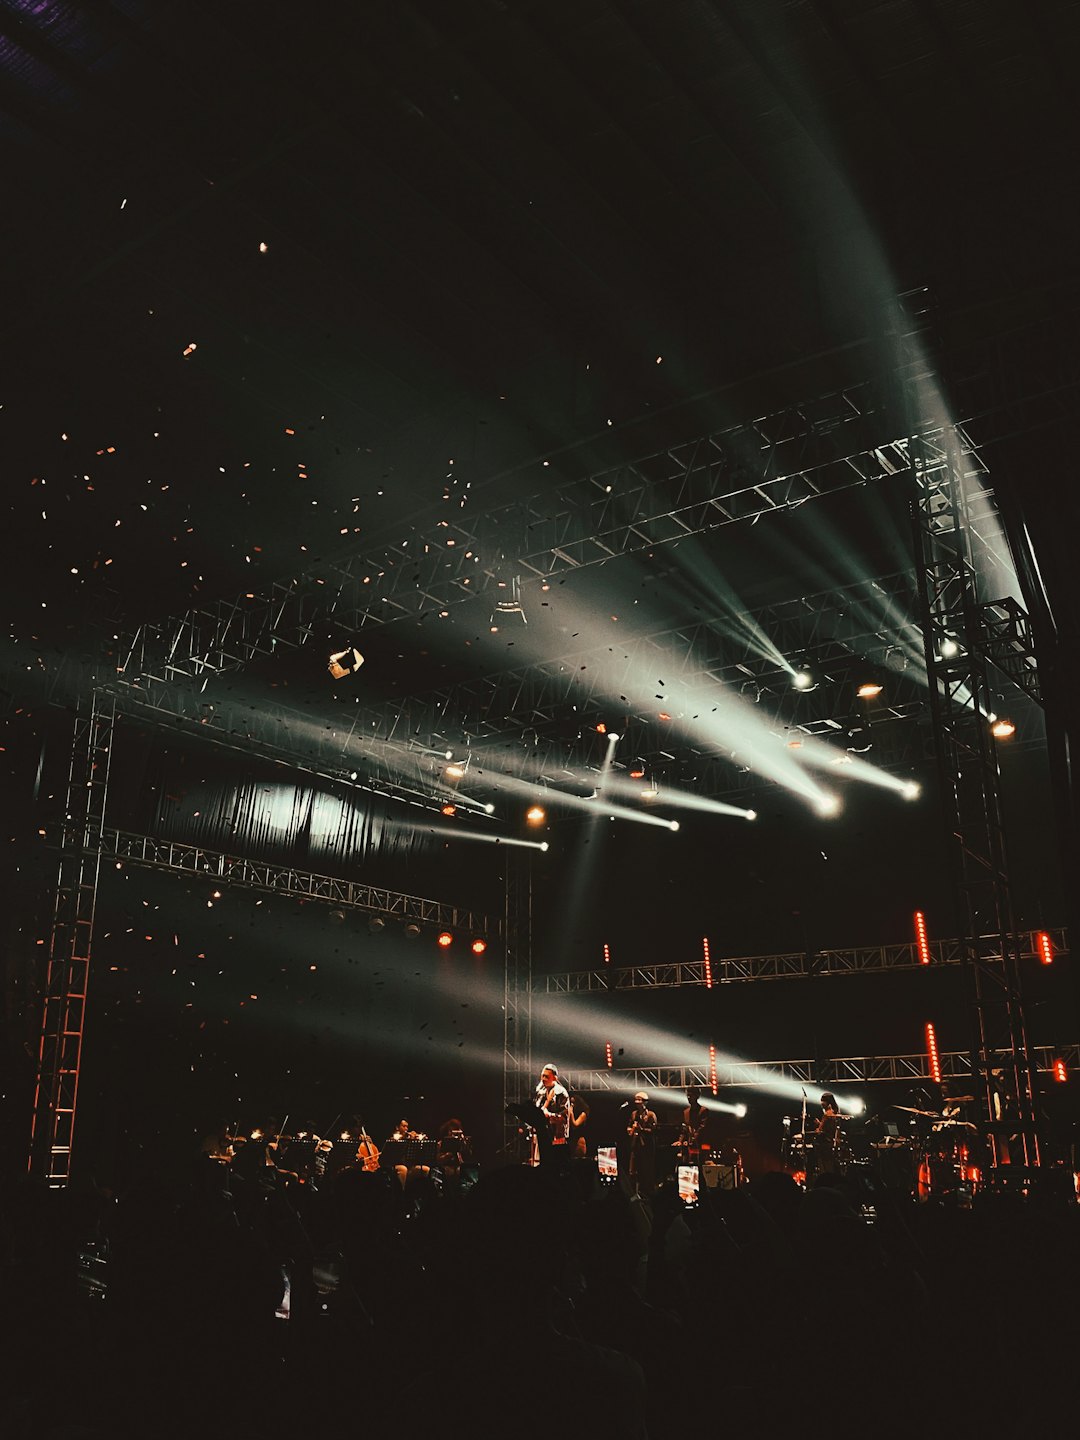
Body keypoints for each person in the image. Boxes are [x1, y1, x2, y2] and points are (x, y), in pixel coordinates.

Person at [533, 1063, 571, 1168]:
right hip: (542, 1135)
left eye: (547, 1076)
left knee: (556, 1166)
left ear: (554, 1078)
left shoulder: (561, 1093)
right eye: (542, 1076)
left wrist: (549, 1116)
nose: (543, 1079)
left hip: (556, 1137)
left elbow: (564, 1118)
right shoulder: (541, 1093)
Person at [626, 1091, 657, 1196]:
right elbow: (629, 1125)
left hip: (647, 1146)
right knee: (634, 1169)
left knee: (646, 1169)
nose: (638, 1103)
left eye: (640, 1101)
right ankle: (635, 1191)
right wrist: (630, 1129)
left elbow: (654, 1130)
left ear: (645, 1102)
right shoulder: (634, 1114)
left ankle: (648, 1192)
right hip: (636, 1145)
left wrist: (642, 1129)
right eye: (636, 1101)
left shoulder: (650, 1115)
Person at [675, 1086, 706, 1164]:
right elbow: (684, 1129)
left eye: (691, 1095)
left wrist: (693, 1139)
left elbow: (702, 1128)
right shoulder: (686, 1112)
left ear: (697, 1096)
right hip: (688, 1146)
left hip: (699, 1145)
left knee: (698, 1164)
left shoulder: (703, 1111)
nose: (688, 1097)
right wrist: (680, 1141)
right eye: (687, 1095)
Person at [814, 1092, 842, 1177]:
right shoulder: (835, 1114)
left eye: (822, 1101)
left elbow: (820, 1130)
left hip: (823, 1144)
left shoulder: (826, 1115)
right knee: (830, 1166)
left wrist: (818, 1128)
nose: (821, 1104)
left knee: (823, 1168)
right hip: (830, 1143)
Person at [569, 1092, 591, 1159]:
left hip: (579, 1139)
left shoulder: (583, 1113)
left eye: (573, 1102)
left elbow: (576, 1124)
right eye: (570, 1102)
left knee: (578, 1157)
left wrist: (571, 1113)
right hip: (572, 1138)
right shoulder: (574, 1113)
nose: (572, 1105)